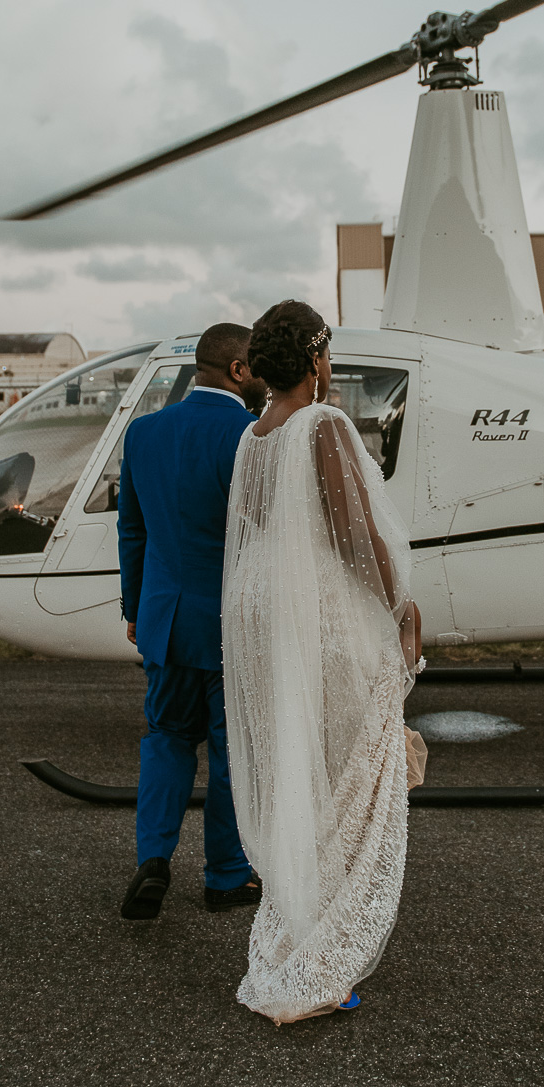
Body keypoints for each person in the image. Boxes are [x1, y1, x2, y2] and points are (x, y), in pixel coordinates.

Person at [222, 300, 422, 1024]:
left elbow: (253, 527)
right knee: (347, 766)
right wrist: (401, 604)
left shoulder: (255, 436)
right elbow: (352, 529)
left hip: (262, 608)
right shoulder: (322, 425)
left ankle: (294, 931)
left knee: (301, 765)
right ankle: (322, 956)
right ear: (315, 360)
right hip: (319, 614)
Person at [116, 322, 270, 921]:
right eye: (257, 367)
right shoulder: (252, 436)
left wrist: (135, 608)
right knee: (233, 753)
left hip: (165, 620)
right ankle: (225, 876)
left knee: (166, 738)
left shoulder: (144, 433)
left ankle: (152, 859)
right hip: (231, 626)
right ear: (237, 370)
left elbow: (134, 531)